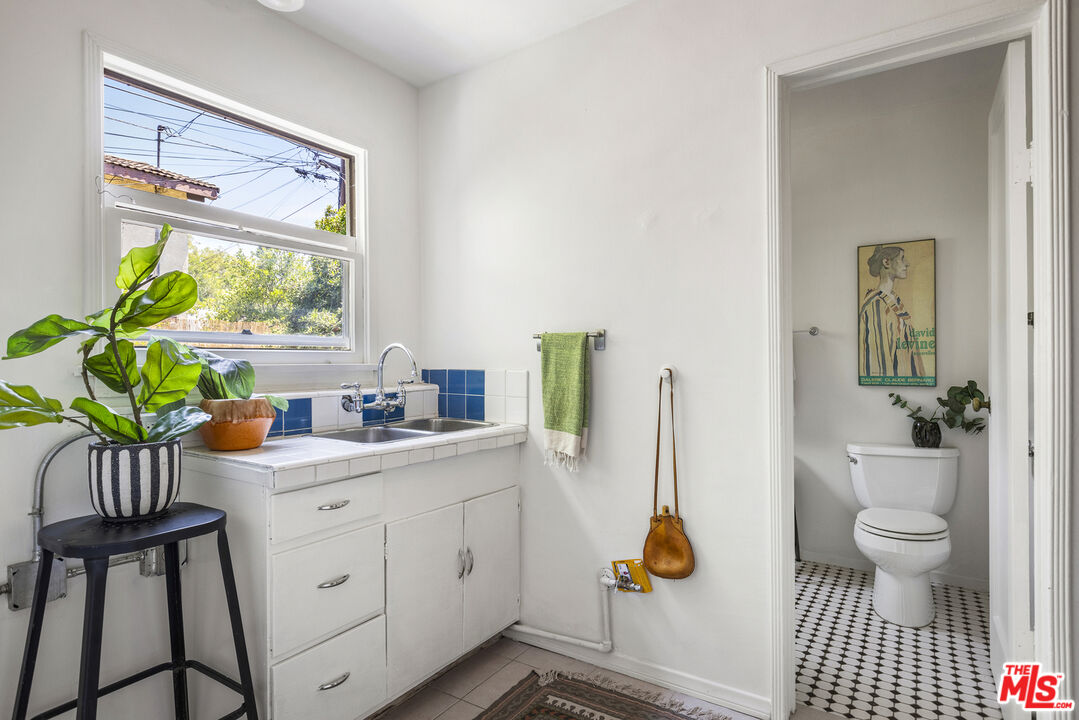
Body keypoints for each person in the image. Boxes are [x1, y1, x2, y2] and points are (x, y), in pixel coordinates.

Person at [859, 245, 926, 380]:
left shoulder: (895, 301)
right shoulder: (876, 305)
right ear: (886, 262)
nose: (907, 263)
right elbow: (878, 364)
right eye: (901, 259)